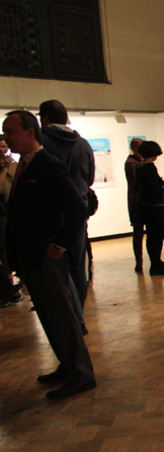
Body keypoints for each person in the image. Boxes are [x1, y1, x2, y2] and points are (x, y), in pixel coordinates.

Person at [2, 110, 96, 399]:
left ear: (30, 131)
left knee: (62, 316)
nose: (6, 137)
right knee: (49, 315)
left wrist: (60, 245)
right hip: (31, 255)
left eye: (10, 131)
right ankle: (67, 366)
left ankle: (81, 373)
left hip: (47, 256)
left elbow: (77, 208)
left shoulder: (48, 165)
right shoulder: (25, 165)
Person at [38, 99, 94, 333]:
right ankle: (78, 317)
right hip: (78, 211)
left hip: (51, 212)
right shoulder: (82, 144)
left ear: (45, 118)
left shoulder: (42, 141)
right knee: (78, 267)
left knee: (56, 267)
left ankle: (71, 319)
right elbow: (90, 178)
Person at [134, 141, 164, 276]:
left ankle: (155, 261)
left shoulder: (139, 167)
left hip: (145, 206)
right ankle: (155, 264)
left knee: (152, 235)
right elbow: (154, 189)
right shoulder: (149, 168)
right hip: (155, 207)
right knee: (157, 235)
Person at [0, 136, 22, 307]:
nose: (4, 149)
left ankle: (11, 289)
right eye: (1, 146)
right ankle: (10, 287)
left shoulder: (14, 164)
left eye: (5, 146)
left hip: (11, 211)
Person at [124, 137, 145, 273]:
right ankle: (139, 261)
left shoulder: (137, 162)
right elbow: (138, 180)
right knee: (138, 232)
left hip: (141, 200)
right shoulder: (132, 163)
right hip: (136, 201)